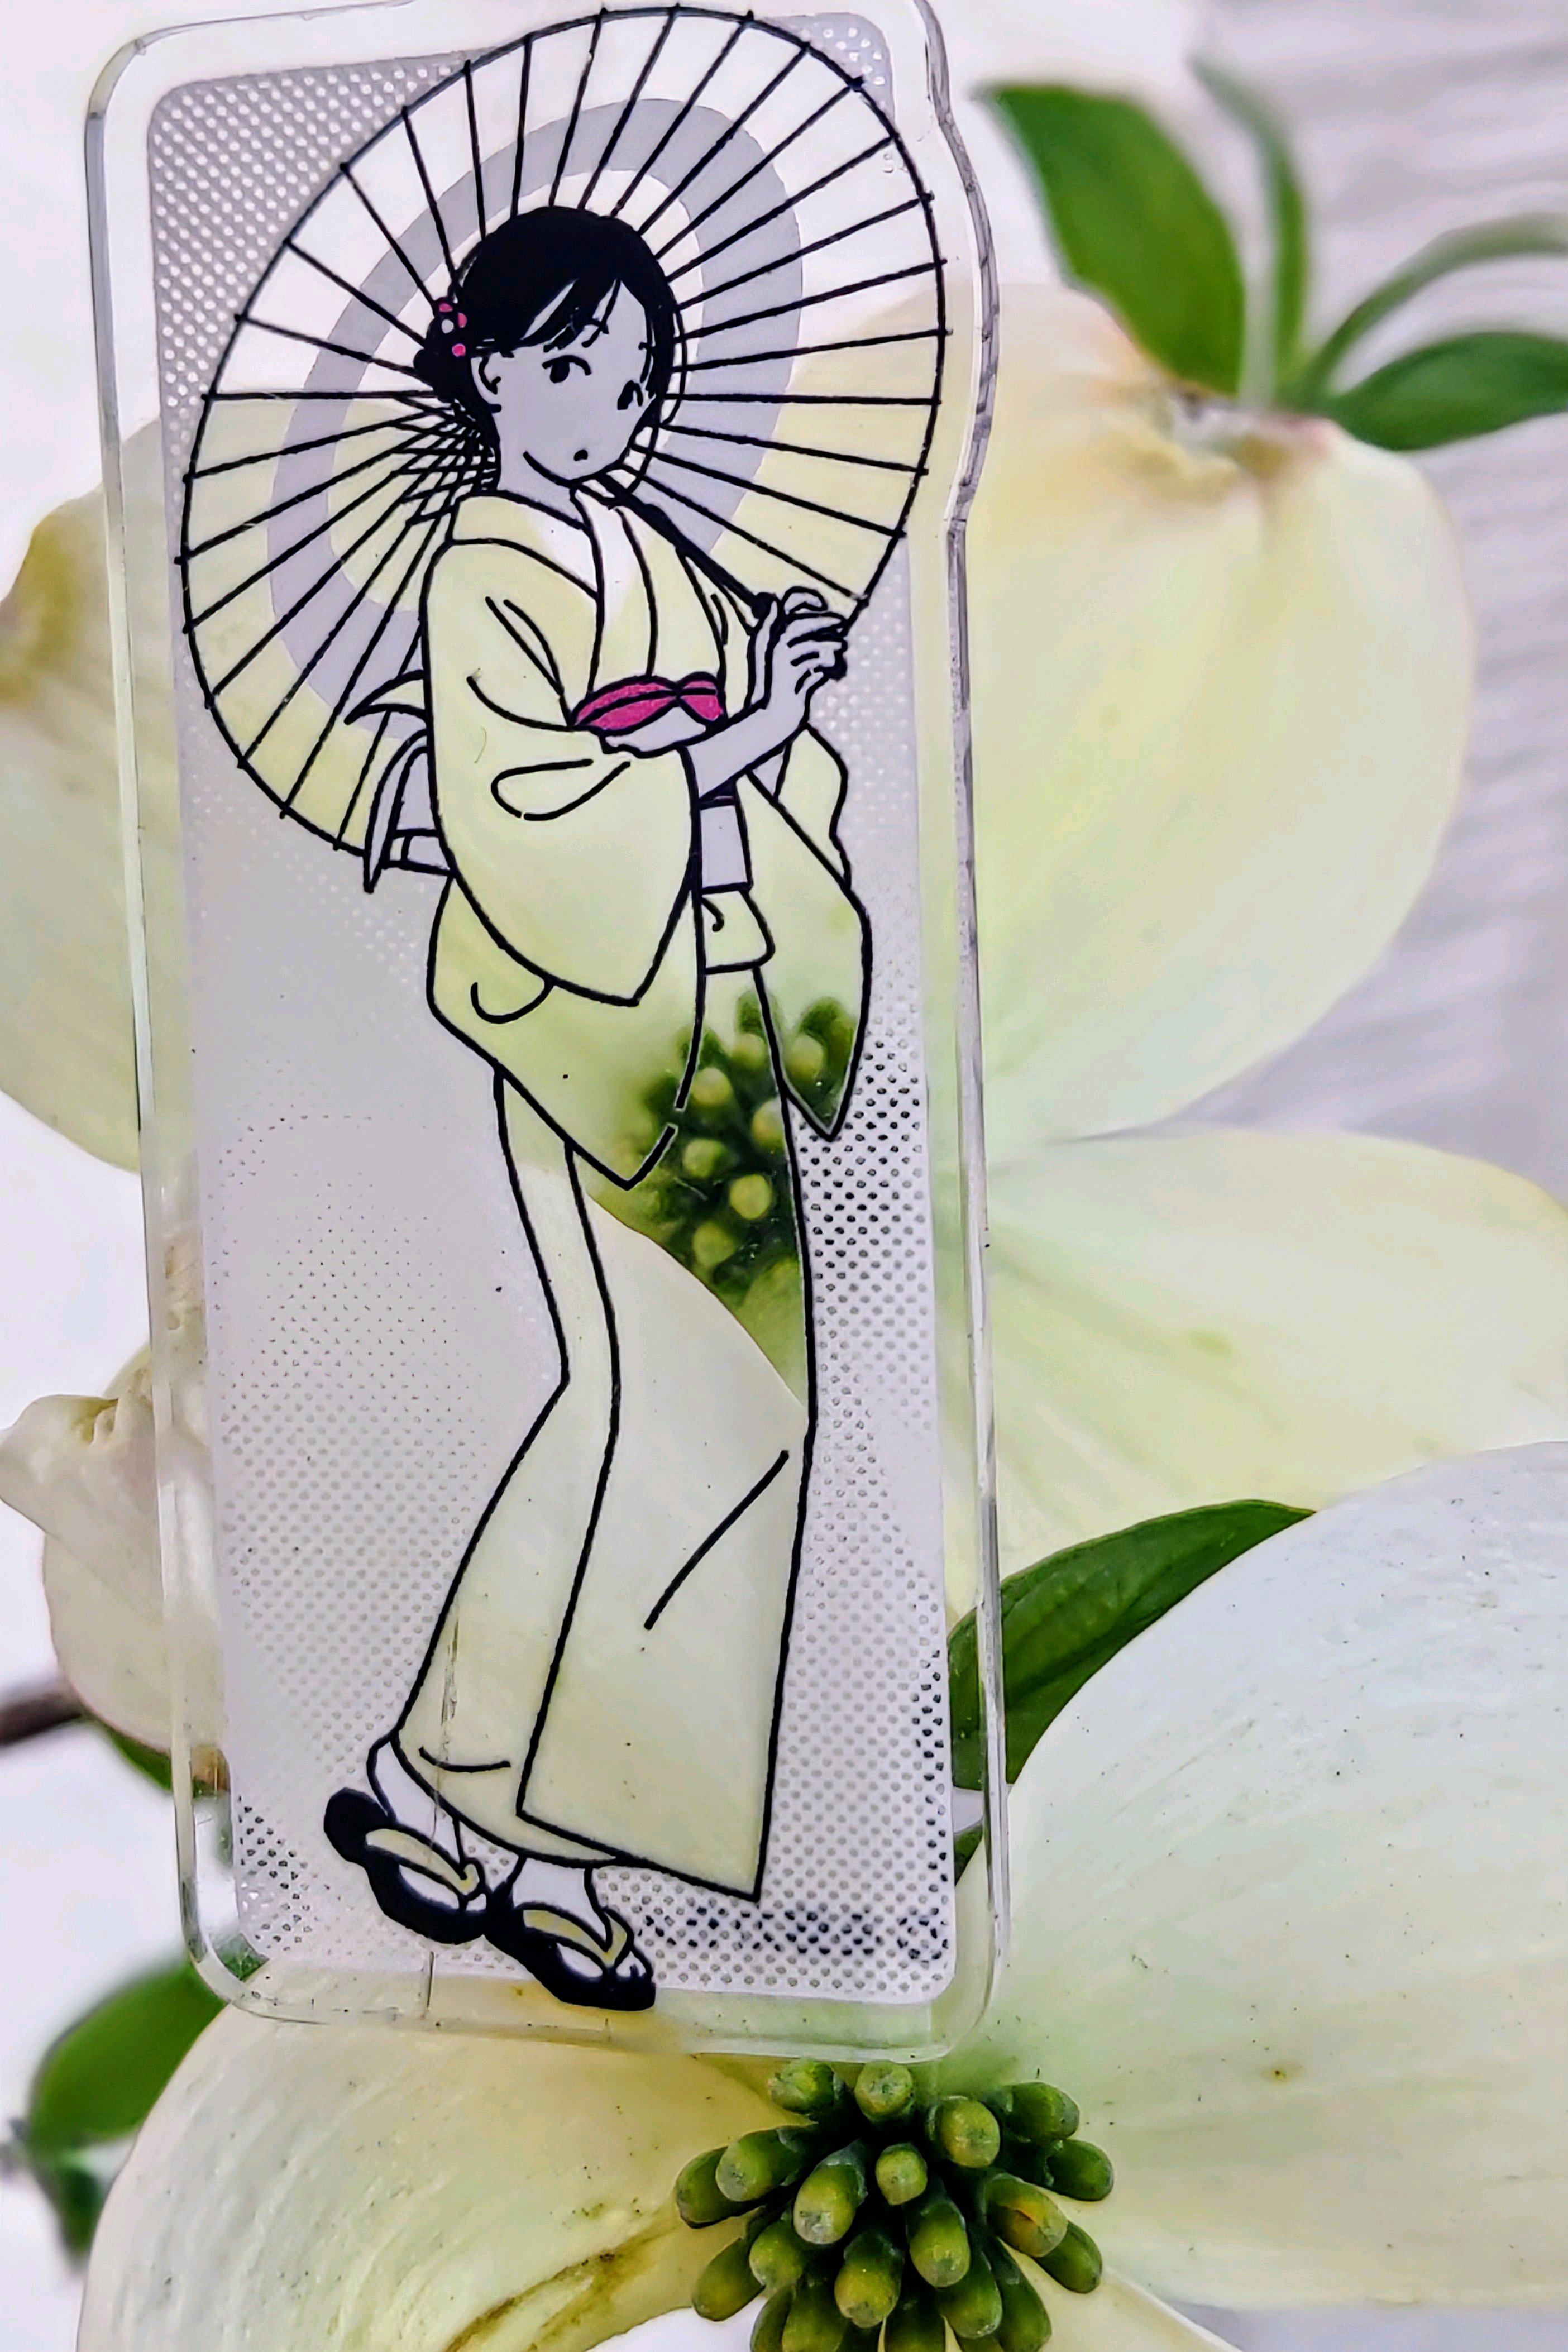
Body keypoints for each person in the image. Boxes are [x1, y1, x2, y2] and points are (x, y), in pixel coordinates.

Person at [324, 207, 868, 2010]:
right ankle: (554, 1836)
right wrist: (737, 732)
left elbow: (719, 758)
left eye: (632, 380)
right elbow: (533, 816)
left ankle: (454, 1784)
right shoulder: (480, 577)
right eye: (568, 369)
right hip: (595, 1021)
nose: (609, 410)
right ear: (487, 374)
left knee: (659, 1412)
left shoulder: (643, 549)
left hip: (710, 989)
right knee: (700, 1418)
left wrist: (775, 692)